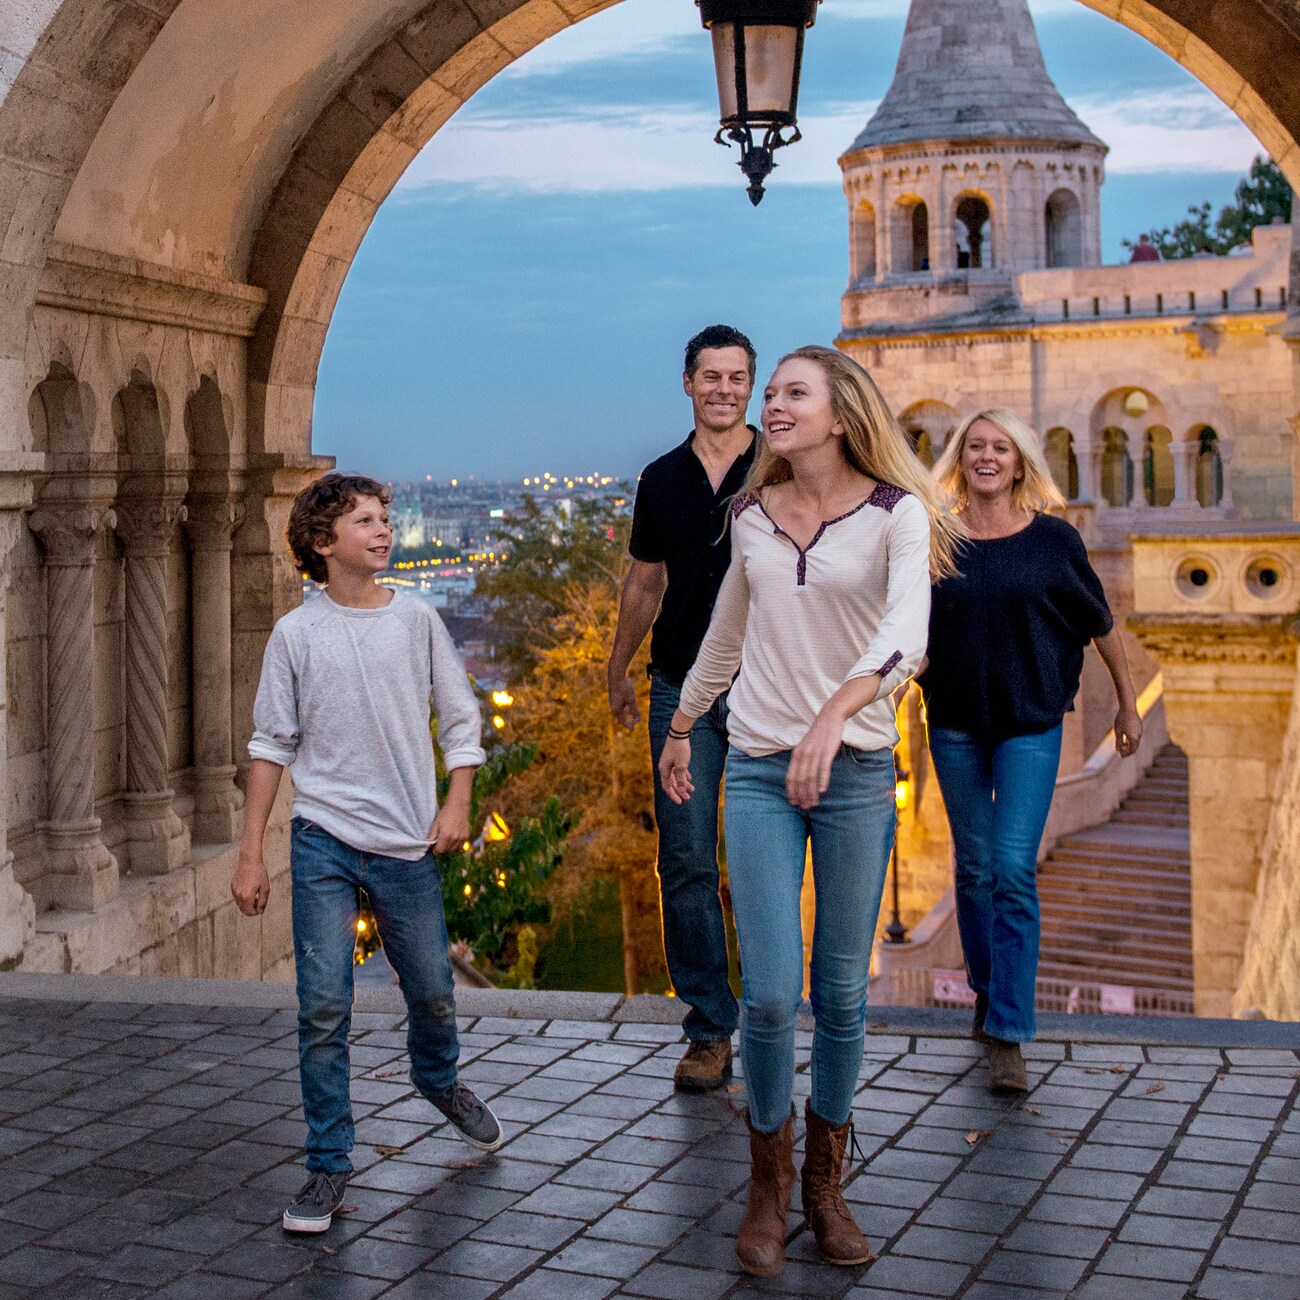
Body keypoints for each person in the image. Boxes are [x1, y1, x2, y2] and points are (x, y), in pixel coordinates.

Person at [658, 346, 961, 1276]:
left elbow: (906, 634)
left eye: (793, 393)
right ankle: (767, 1182)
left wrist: (838, 712)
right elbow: (726, 633)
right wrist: (680, 725)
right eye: (772, 392)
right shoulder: (748, 513)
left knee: (838, 993)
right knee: (771, 994)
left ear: (841, 414)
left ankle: (827, 1185)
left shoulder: (896, 515)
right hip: (754, 768)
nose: (771, 405)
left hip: (856, 771)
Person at [231, 472, 502, 1235]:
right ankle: (328, 1162)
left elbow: (459, 718)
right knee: (322, 1006)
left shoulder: (415, 620)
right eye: (365, 521)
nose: (383, 531)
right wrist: (251, 852)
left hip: (405, 844)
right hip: (322, 839)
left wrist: (458, 801)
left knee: (432, 992)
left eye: (385, 519)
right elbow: (269, 746)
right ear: (323, 543)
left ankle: (438, 1078)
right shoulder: (296, 634)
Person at [919, 410, 1142, 1095]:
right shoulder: (934, 537)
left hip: (1031, 724)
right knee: (974, 865)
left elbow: (1100, 624)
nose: (988, 457)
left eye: (1002, 449)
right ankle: (987, 992)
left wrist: (1129, 703)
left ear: (1020, 464)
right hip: (954, 725)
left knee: (1012, 867)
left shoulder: (1053, 540)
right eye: (976, 447)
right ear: (959, 460)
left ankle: (1009, 1031)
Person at [606, 324, 757, 1091]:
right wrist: (617, 667)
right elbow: (643, 582)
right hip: (679, 689)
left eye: (737, 377)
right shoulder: (661, 477)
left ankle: (770, 1012)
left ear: (750, 386)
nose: (723, 388)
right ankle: (709, 1027)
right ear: (688, 384)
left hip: (770, 688)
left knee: (765, 861)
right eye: (711, 376)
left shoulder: (785, 467)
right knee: (687, 857)